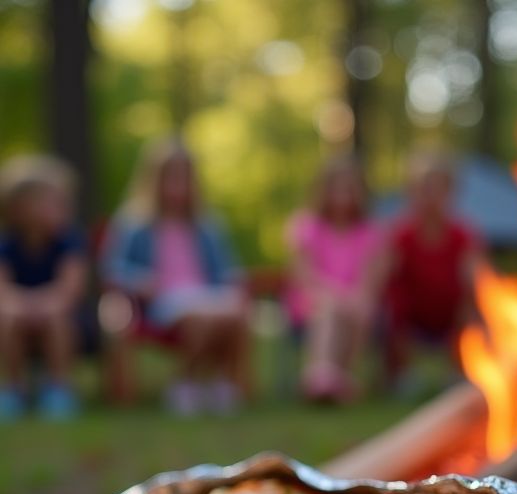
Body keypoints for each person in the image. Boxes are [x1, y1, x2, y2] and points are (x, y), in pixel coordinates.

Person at [101, 138, 249, 415]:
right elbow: (113, 268)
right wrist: (140, 281)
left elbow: (229, 271)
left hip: (207, 297)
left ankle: (217, 382)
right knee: (202, 317)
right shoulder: (134, 223)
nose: (178, 185)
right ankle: (186, 381)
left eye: (184, 177)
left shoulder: (209, 225)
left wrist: (234, 288)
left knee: (234, 313)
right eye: (171, 177)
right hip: (162, 304)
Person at [285, 156, 387, 402]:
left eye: (349, 189)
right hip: (311, 303)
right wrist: (338, 297)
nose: (343, 195)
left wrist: (350, 298)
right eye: (336, 188)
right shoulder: (305, 226)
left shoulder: (371, 233)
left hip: (357, 304)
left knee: (359, 307)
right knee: (330, 308)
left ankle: (330, 379)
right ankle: (325, 376)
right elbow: (304, 276)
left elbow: (370, 281)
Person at [385, 151, 482, 392]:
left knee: (470, 304)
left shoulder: (463, 234)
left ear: (451, 193)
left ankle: (459, 370)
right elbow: (384, 273)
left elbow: (476, 274)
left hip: (450, 310)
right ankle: (401, 374)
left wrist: (474, 280)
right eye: (423, 189)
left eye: (437, 189)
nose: (430, 196)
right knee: (392, 305)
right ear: (411, 192)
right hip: (413, 311)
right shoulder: (401, 234)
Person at [0, 155, 88, 419]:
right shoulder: (6, 245)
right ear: (20, 207)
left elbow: (71, 288)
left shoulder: (70, 242)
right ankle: (13, 389)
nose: (63, 209)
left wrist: (42, 305)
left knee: (55, 317)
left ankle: (59, 389)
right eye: (53, 202)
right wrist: (22, 306)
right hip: (16, 314)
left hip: (61, 316)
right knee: (9, 318)